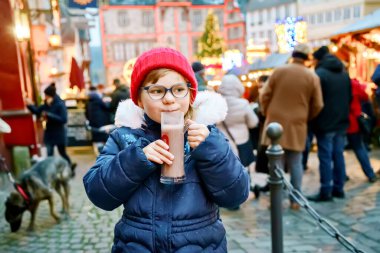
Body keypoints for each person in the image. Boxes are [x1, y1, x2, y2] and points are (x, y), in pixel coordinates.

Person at [83, 48, 250, 252]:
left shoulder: (208, 136)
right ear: (139, 100)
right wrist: (137, 159)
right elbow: (99, 194)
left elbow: (236, 195)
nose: (169, 99)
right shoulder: (125, 138)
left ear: (190, 95)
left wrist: (212, 151)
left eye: (179, 90)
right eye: (157, 91)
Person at [260, 43, 324, 210]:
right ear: (307, 58)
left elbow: (264, 95)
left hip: (275, 121)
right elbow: (318, 104)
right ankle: (295, 199)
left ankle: (276, 199)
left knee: (276, 162)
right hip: (298, 123)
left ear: (293, 55)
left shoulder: (279, 70)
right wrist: (305, 116)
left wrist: (268, 113)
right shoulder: (312, 76)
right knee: (296, 163)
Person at [307, 46, 351, 202]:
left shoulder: (320, 75)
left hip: (325, 123)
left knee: (325, 157)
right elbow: (349, 98)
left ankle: (326, 190)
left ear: (318, 59)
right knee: (338, 155)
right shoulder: (344, 73)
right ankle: (339, 189)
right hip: (341, 121)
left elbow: (315, 101)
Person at [25, 83, 76, 177]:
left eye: (46, 95)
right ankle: (51, 174)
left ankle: (70, 168)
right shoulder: (46, 104)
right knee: (49, 154)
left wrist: (48, 115)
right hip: (49, 133)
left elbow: (63, 119)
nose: (45, 97)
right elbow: (37, 111)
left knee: (62, 153)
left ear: (51, 95)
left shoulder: (60, 104)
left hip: (59, 132)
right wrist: (29, 105)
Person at [347, 78, 378, 182]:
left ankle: (340, 175)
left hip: (339, 121)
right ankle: (370, 174)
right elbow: (364, 96)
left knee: (336, 151)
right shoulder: (353, 83)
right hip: (354, 121)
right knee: (359, 148)